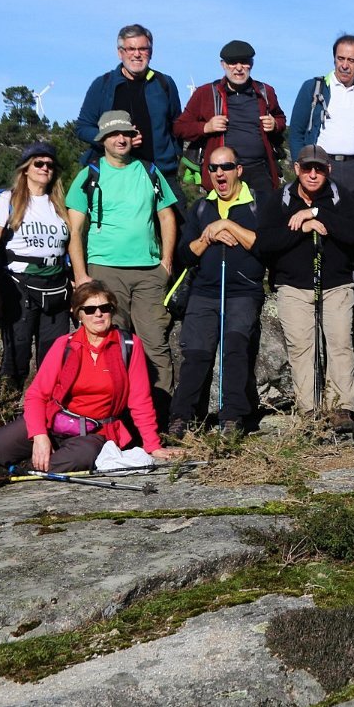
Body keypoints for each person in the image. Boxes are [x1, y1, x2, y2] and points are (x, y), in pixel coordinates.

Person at [0, 281, 179, 485]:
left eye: (105, 308)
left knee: (81, 457)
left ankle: (18, 469)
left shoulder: (129, 345)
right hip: (54, 421)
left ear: (112, 310)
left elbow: (140, 400)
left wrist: (152, 445)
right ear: (78, 314)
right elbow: (37, 395)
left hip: (95, 432)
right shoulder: (64, 345)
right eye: (90, 309)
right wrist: (40, 436)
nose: (98, 314)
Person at [66, 111, 179, 417]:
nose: (121, 139)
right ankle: (113, 419)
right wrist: (81, 275)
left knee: (155, 342)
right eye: (114, 134)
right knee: (111, 342)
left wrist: (165, 262)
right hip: (105, 272)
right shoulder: (89, 175)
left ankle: (159, 418)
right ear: (102, 139)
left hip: (149, 272)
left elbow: (167, 216)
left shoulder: (149, 171)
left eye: (126, 134)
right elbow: (74, 229)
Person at [256, 145, 354, 428]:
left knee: (340, 342)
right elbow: (264, 243)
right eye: (307, 168)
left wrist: (316, 213)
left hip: (336, 284)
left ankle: (341, 408)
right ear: (296, 169)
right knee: (301, 347)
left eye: (319, 169)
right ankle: (310, 410)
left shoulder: (340, 197)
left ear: (328, 170)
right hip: (292, 285)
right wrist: (303, 229)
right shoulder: (280, 199)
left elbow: (353, 234)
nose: (313, 174)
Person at [168, 148, 269, 440]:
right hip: (204, 292)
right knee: (196, 355)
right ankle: (181, 417)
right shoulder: (201, 208)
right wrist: (208, 234)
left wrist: (227, 225)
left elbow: (264, 247)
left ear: (239, 169)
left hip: (243, 291)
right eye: (213, 168)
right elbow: (186, 255)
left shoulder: (259, 203)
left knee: (236, 350)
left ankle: (232, 418)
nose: (219, 173)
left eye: (226, 166)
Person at [0, 142, 72, 389]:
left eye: (50, 165)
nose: (45, 168)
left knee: (54, 361)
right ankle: (7, 418)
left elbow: (68, 250)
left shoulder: (59, 205)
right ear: (25, 168)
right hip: (18, 287)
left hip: (56, 289)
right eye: (39, 163)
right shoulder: (8, 199)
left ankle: (47, 419)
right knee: (16, 359)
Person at [75, 24, 184, 197]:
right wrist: (112, 140)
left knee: (177, 222)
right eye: (131, 49)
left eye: (143, 48)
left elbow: (177, 127)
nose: (137, 54)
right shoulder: (103, 85)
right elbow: (82, 127)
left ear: (151, 52)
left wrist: (174, 158)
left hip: (161, 176)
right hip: (113, 176)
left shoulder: (165, 83)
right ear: (120, 53)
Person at [173, 39, 286, 194]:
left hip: (260, 171)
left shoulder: (266, 92)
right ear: (223, 65)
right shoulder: (205, 93)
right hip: (223, 174)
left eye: (244, 62)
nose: (239, 68)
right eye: (233, 63)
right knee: (226, 219)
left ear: (251, 64)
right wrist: (206, 127)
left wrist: (275, 124)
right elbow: (179, 127)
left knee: (263, 218)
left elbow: (281, 119)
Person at [290, 33, 354, 193]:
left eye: (351, 60)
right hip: (319, 167)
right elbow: (296, 132)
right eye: (340, 58)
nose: (344, 65)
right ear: (334, 59)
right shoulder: (312, 88)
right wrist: (302, 168)